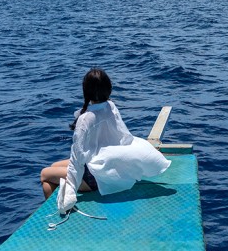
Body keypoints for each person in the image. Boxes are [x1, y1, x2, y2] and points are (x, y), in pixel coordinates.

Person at [40, 68, 171, 213]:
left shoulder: (85, 119)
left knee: (45, 174)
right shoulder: (111, 106)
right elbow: (122, 136)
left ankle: (60, 211)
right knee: (54, 166)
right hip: (106, 166)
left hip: (95, 178)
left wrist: (70, 193)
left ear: (86, 91)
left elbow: (77, 160)